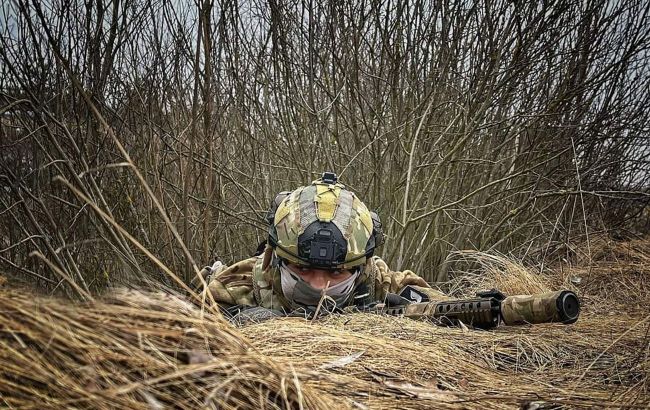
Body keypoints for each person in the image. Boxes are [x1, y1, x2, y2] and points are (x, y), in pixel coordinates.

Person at [200, 172, 445, 322]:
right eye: (302, 269)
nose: (318, 286)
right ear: (276, 258)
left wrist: (413, 319)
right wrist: (237, 327)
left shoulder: (382, 284)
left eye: (336, 273)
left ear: (361, 267)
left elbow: (451, 311)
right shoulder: (234, 287)